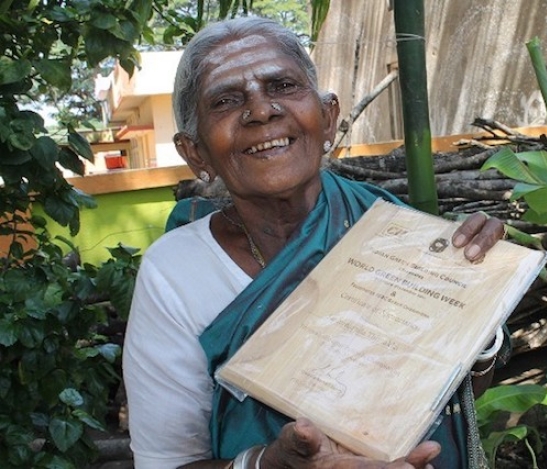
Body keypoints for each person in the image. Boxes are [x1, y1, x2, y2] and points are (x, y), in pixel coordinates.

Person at [123, 16, 507, 469]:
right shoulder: (177, 271)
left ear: (327, 119)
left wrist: (475, 304)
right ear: (195, 153)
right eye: (226, 100)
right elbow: (167, 463)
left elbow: (453, 394)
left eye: (282, 85)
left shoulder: (396, 233)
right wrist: (269, 465)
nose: (261, 111)